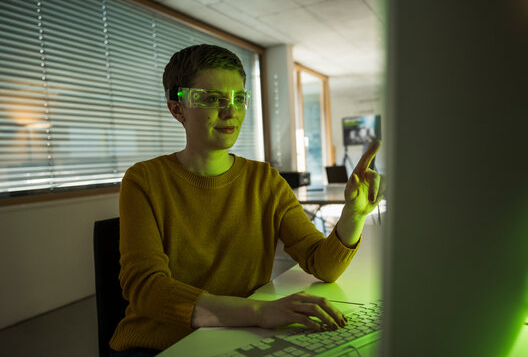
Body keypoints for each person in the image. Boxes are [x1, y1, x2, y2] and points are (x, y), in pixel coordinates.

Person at [109, 44, 384, 357]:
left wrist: (355, 213)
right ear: (177, 108)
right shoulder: (144, 180)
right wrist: (259, 313)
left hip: (238, 335)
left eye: (239, 98)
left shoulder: (264, 180)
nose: (230, 111)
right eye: (213, 98)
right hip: (161, 344)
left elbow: (322, 265)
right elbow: (147, 289)